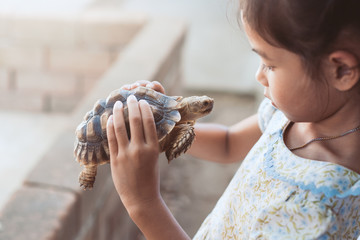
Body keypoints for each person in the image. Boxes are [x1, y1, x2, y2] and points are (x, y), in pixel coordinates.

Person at [106, 0, 360, 239]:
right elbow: (229, 143)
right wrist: (167, 122)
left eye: (270, 64)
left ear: (341, 70)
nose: (259, 75)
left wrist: (143, 204)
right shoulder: (289, 116)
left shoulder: (314, 212)